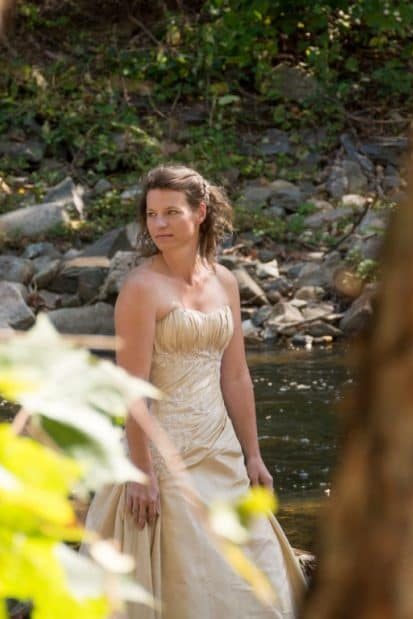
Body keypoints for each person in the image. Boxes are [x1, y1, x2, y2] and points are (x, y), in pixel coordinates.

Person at [84, 165, 306, 618]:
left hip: (220, 449)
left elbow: (237, 375)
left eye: (171, 212)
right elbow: (134, 389)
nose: (159, 225)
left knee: (257, 576)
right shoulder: (141, 289)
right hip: (162, 457)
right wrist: (141, 473)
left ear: (200, 212)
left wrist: (253, 454)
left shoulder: (224, 281)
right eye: (151, 215)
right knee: (185, 584)